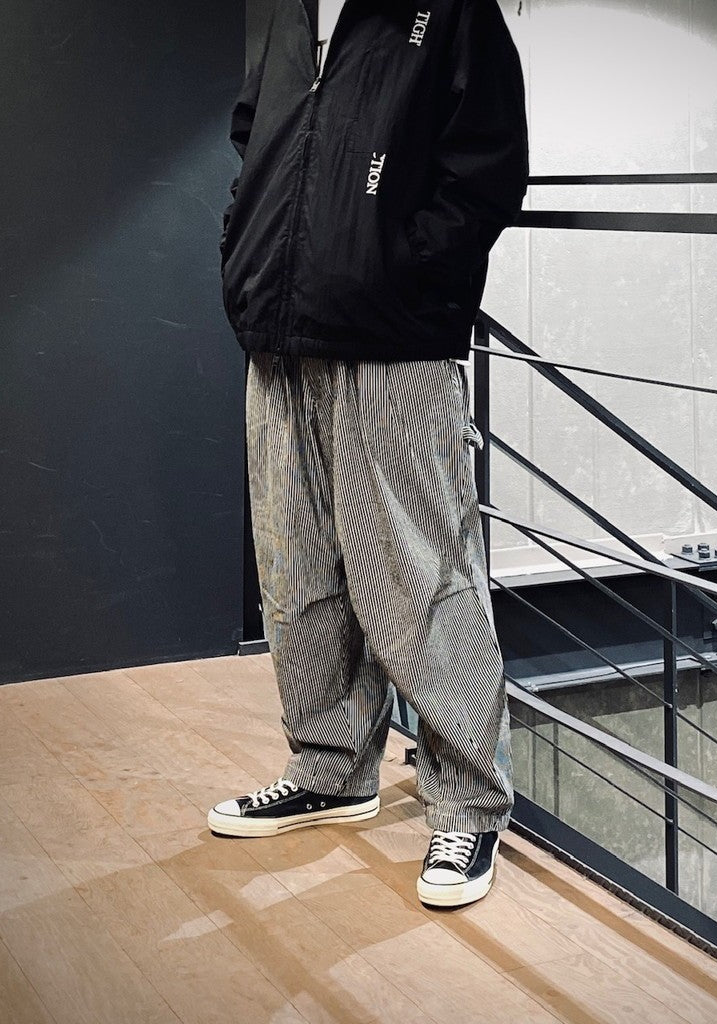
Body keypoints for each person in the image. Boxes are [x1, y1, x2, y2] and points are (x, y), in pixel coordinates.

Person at [207, 0, 529, 909]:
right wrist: (244, 248)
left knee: (420, 574)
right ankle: (330, 767)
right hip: (280, 333)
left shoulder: (447, 9)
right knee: (297, 568)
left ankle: (467, 803)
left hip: (396, 344)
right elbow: (256, 140)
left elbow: (489, 165)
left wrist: (405, 271)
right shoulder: (285, 12)